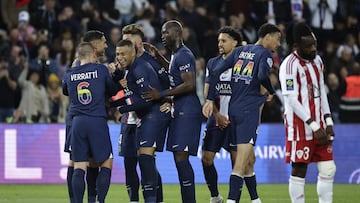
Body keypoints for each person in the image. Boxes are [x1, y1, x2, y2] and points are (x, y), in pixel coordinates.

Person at [202, 23, 281, 203]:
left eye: (224, 40)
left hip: (234, 111)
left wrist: (208, 99)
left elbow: (216, 72)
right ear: (267, 36)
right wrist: (272, 91)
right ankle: (226, 199)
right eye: (277, 39)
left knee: (246, 159)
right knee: (238, 162)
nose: (278, 44)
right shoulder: (263, 55)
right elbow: (262, 78)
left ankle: (255, 199)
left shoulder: (240, 52)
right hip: (241, 113)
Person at [142, 20, 203, 203]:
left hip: (188, 110)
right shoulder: (177, 55)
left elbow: (189, 84)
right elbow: (174, 74)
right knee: (179, 158)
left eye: (165, 32)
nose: (162, 36)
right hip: (181, 110)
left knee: (181, 158)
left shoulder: (184, 55)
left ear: (176, 34)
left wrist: (160, 94)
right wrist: (158, 57)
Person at [110, 23, 170, 203]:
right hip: (128, 119)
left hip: (147, 116)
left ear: (138, 41)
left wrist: (168, 101)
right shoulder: (121, 65)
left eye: (128, 40)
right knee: (129, 162)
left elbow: (167, 84)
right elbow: (116, 91)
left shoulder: (150, 62)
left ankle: (155, 199)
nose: (124, 44)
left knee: (146, 160)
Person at [278, 22, 336, 203]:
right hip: (299, 127)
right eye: (308, 46)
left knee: (328, 169)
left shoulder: (318, 61)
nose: (313, 49)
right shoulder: (289, 65)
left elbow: (321, 92)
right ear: (296, 47)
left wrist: (328, 121)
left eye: (314, 45)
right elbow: (292, 100)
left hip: (319, 124)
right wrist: (313, 125)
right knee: (299, 170)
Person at [62, 42, 120, 203]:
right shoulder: (100, 70)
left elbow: (64, 89)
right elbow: (113, 90)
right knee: (106, 162)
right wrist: (114, 73)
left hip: (78, 122)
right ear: (93, 54)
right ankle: (99, 201)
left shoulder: (70, 73)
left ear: (78, 57)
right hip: (97, 120)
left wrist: (72, 69)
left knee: (79, 166)